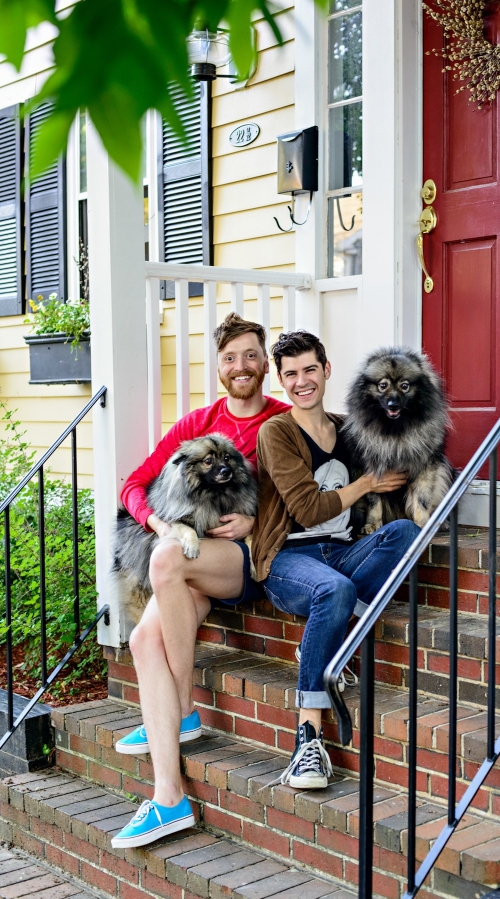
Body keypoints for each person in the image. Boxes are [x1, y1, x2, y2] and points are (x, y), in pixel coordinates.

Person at [110, 314, 289, 849]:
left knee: (165, 562)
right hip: (189, 552)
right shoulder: (198, 423)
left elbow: (310, 498)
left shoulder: (284, 422)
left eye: (252, 355)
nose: (242, 367)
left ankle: (183, 706)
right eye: (231, 357)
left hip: (247, 558)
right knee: (143, 638)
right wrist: (162, 523)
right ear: (219, 366)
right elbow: (135, 485)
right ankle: (170, 798)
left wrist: (260, 522)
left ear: (265, 364)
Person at [253, 331, 420, 789]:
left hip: (342, 552)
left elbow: (397, 456)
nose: (302, 381)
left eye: (310, 369)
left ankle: (326, 641)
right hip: (289, 559)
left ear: (326, 370)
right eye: (291, 374)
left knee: (405, 533)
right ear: (281, 381)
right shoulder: (277, 432)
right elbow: (307, 510)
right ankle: (307, 740)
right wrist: (367, 484)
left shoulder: (348, 429)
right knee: (335, 590)